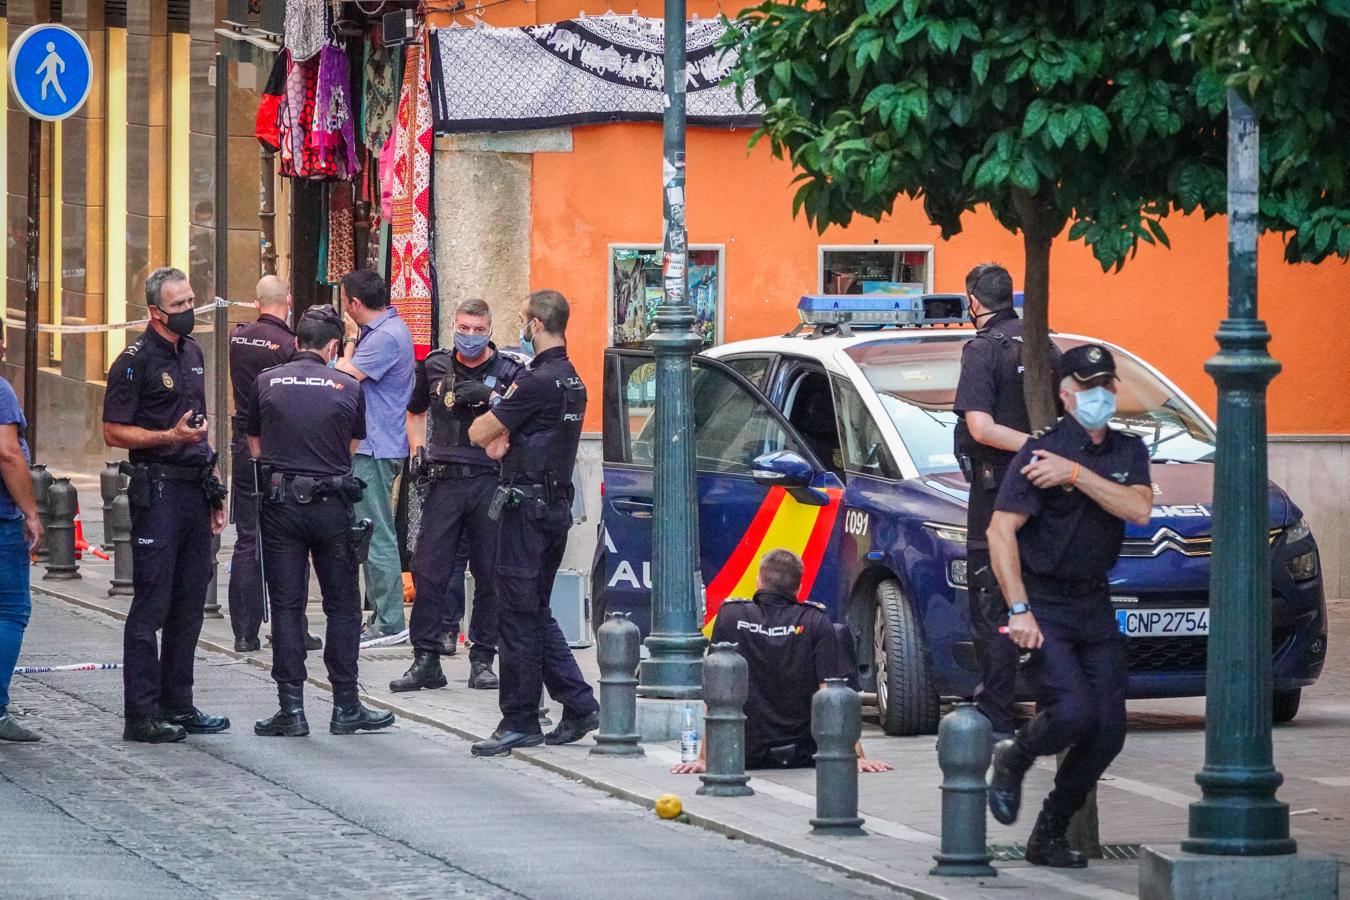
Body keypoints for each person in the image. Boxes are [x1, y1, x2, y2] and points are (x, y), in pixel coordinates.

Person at [985, 343, 1152, 868]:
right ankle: (1015, 756)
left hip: (1094, 602)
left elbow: (1139, 509)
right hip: (1045, 602)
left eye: (1106, 384)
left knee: (1108, 733)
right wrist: (1019, 609)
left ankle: (1050, 832)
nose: (1099, 394)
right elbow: (1000, 532)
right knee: (1074, 711)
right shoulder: (1039, 452)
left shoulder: (1128, 451)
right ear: (1065, 394)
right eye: (1087, 386)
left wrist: (1076, 475)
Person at [247, 305, 395, 737]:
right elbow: (352, 446)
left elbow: (255, 444)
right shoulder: (348, 386)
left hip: (281, 504)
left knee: (288, 606)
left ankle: (291, 709)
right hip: (331, 505)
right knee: (343, 606)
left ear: (296, 342)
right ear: (333, 347)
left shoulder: (266, 382)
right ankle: (345, 705)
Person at [466, 290, 599, 756]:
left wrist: (498, 426)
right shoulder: (573, 380)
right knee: (535, 610)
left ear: (537, 325)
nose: (520, 327)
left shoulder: (535, 381)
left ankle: (519, 719)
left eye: (523, 319)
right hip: (554, 507)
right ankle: (578, 703)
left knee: (516, 616)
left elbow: (479, 432)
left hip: (525, 509)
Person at [103, 267, 230, 744]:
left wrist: (214, 488)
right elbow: (113, 431)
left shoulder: (193, 353)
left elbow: (200, 428)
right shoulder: (133, 362)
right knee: (152, 602)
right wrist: (168, 437)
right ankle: (141, 714)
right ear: (155, 311)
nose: (188, 311)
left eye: (191, 301)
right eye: (178, 306)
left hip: (193, 489)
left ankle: (179, 702)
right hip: (156, 490)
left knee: (190, 604)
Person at [392, 299, 524, 694]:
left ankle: (483, 658)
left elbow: (523, 420)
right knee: (429, 570)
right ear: (453, 325)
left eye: (478, 329)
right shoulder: (435, 364)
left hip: (488, 479)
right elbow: (415, 411)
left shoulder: (509, 371)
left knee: (490, 575)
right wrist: (417, 451)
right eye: (464, 328)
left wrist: (492, 399)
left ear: (490, 329)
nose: (470, 336)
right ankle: (426, 659)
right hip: (443, 480)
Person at [952, 262, 1061, 742]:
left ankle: (996, 717)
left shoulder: (982, 349)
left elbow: (980, 428)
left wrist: (1032, 445)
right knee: (1046, 601)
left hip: (997, 491)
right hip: (1050, 493)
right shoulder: (1045, 345)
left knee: (994, 603)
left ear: (974, 301)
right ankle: (1053, 711)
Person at [669, 549, 892, 775]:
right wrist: (855, 756)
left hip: (743, 754)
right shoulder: (815, 620)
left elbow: (716, 692)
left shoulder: (731, 617)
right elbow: (832, 695)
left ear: (759, 581)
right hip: (804, 754)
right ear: (799, 588)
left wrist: (706, 759)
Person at [227, 275, 319, 654]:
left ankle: (244, 632)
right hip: (281, 447)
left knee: (248, 538)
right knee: (289, 537)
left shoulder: (237, 337)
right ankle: (292, 628)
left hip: (243, 442)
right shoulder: (288, 345)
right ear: (290, 301)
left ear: (256, 302)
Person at [335, 269, 414, 645]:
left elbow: (342, 378)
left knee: (375, 531)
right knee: (368, 531)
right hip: (374, 446)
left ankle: (391, 621)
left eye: (343, 301)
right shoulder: (383, 331)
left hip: (375, 448)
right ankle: (380, 615)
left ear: (354, 303)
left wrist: (348, 345)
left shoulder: (384, 337)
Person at [0, 325, 43, 742]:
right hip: (1, 520)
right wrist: (30, 511)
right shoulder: (0, 391)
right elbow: (9, 453)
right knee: (11, 610)